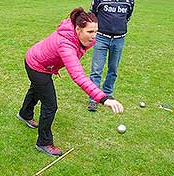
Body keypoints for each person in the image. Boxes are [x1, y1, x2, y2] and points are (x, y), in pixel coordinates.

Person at [17, 8, 124, 157]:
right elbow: (79, 76)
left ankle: (24, 114)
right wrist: (104, 98)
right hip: (37, 65)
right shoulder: (66, 44)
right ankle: (44, 142)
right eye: (90, 32)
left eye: (96, 31)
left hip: (41, 61)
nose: (94, 36)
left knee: (36, 90)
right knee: (50, 105)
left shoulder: (75, 33)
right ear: (78, 29)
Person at [87, 0, 135, 112]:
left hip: (119, 39)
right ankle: (94, 98)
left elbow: (128, 16)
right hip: (101, 38)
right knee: (96, 70)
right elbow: (92, 14)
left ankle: (108, 93)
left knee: (113, 69)